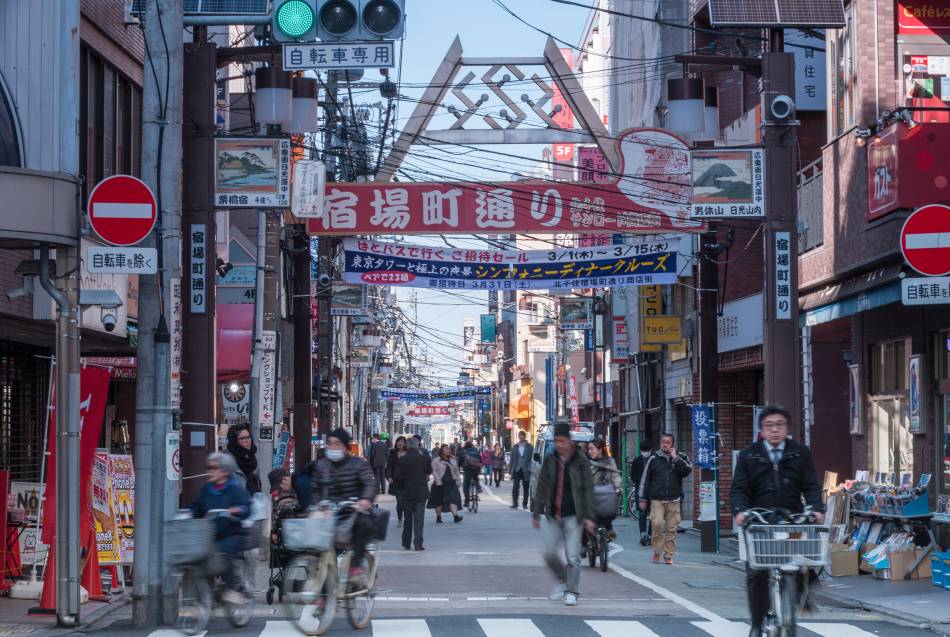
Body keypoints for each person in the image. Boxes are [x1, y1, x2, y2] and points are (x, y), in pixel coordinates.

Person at [731, 405, 824, 637]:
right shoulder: (748, 455)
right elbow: (739, 489)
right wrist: (741, 511)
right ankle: (756, 622)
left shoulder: (800, 452)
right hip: (760, 521)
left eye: (779, 425)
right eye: (769, 426)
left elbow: (811, 485)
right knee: (756, 572)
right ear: (761, 430)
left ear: (787, 428)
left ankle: (799, 597)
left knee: (807, 559)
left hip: (791, 518)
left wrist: (816, 508)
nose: (774, 430)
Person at [298, 428, 377, 580]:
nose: (332, 447)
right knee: (314, 537)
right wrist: (316, 507)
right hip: (330, 511)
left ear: (346, 447)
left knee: (363, 524)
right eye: (329, 444)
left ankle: (356, 566)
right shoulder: (321, 465)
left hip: (353, 510)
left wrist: (365, 499)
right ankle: (321, 583)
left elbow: (369, 484)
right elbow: (315, 490)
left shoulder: (359, 464)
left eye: (337, 444)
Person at [531, 423, 595, 607]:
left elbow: (588, 491)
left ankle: (572, 591)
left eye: (562, 441)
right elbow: (542, 487)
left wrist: (590, 517)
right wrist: (536, 512)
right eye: (556, 441)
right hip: (553, 514)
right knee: (549, 553)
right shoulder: (550, 460)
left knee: (573, 556)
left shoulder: (581, 461)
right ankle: (562, 581)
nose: (559, 444)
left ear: (569, 441)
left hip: (574, 515)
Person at [189, 452, 250, 604]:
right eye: (208, 467)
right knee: (199, 555)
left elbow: (247, 507)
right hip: (211, 533)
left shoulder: (235, 488)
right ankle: (207, 591)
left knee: (223, 552)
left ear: (224, 470)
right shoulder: (207, 489)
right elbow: (197, 507)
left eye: (214, 468)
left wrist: (237, 510)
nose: (210, 471)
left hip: (232, 533)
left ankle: (232, 589)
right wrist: (188, 514)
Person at [638, 433, 691, 565]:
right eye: (663, 442)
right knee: (657, 524)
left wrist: (675, 459)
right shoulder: (653, 459)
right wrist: (642, 498)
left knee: (671, 528)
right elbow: (645, 479)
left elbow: (686, 471)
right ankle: (657, 551)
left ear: (672, 444)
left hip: (674, 498)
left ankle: (668, 555)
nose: (665, 444)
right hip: (657, 499)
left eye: (667, 442)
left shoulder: (681, 457)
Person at [394, 438, 432, 550]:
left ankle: (406, 542)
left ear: (407, 446)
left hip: (407, 492)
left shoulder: (402, 459)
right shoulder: (424, 458)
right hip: (421, 491)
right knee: (419, 519)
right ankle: (418, 543)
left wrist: (402, 487)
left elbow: (398, 477)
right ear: (418, 446)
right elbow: (429, 471)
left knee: (408, 518)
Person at [587, 438, 621, 541]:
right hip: (591, 495)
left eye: (592, 449)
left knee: (608, 512)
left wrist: (617, 487)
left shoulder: (610, 461)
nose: (590, 451)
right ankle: (585, 543)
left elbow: (615, 475)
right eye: (589, 449)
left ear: (600, 449)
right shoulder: (587, 463)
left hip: (606, 494)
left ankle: (609, 528)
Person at [429, 444, 463, 523]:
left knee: (454, 499)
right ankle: (438, 517)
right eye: (446, 449)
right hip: (440, 483)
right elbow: (434, 471)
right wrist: (438, 481)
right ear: (442, 450)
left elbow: (457, 471)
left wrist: (458, 480)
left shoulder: (453, 460)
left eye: (449, 449)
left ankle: (455, 516)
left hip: (452, 483)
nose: (448, 450)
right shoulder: (436, 460)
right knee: (439, 501)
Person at [629, 439, 653, 546]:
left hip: (653, 491)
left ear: (650, 450)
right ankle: (643, 535)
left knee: (653, 514)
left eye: (646, 450)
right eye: (643, 450)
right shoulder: (637, 461)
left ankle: (651, 535)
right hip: (641, 490)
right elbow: (633, 476)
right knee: (642, 513)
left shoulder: (654, 460)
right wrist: (639, 481)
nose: (645, 452)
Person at [226, 423, 261, 494]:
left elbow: (257, 482)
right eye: (243, 438)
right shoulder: (227, 459)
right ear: (234, 440)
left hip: (250, 499)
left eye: (248, 437)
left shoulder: (251, 456)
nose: (247, 440)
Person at [386, 436, 408, 526]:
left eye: (402, 441)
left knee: (407, 501)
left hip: (408, 481)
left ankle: (407, 517)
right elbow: (389, 466)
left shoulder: (409, 453)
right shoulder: (393, 452)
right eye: (398, 441)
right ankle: (400, 519)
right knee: (399, 501)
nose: (399, 443)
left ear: (405, 443)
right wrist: (389, 477)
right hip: (396, 481)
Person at [509, 430, 533, 510]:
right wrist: (510, 470)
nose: (521, 437)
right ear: (518, 437)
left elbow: (532, 458)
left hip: (526, 469)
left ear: (524, 437)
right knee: (515, 487)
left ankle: (525, 503)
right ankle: (515, 503)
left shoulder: (530, 447)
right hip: (517, 468)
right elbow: (512, 459)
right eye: (520, 436)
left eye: (522, 435)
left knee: (526, 487)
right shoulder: (515, 447)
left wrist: (530, 467)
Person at [460, 440, 483, 507]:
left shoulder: (464, 452)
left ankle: (467, 501)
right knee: (476, 477)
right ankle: (478, 487)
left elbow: (460, 462)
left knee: (466, 486)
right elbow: (480, 460)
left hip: (468, 470)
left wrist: (459, 468)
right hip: (476, 469)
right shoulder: (476, 451)